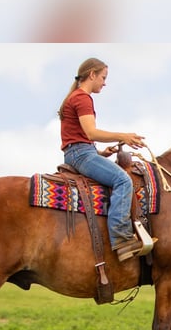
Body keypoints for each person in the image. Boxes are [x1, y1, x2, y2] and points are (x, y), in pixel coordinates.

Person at [58, 57, 147, 261]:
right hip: (81, 154)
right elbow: (91, 132)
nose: (104, 83)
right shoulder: (82, 98)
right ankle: (121, 239)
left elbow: (79, 138)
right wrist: (123, 136)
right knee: (123, 180)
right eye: (103, 77)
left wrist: (99, 153)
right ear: (92, 75)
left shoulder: (73, 97)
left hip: (79, 152)